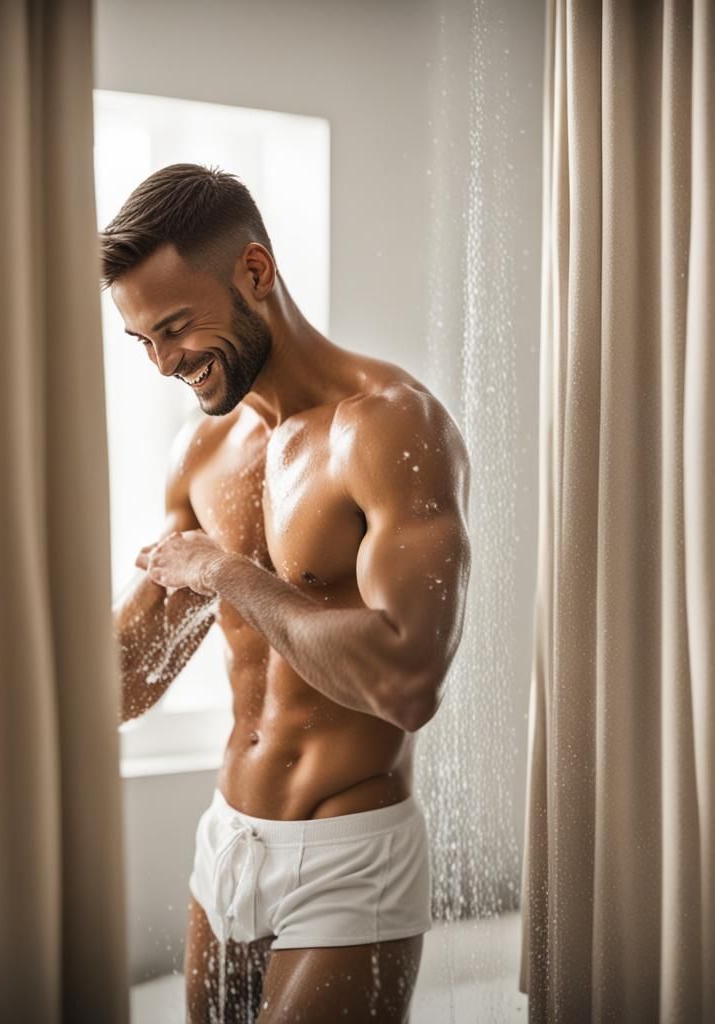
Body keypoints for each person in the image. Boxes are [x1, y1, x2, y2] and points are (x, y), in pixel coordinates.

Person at [102, 163, 471, 1023]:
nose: (163, 363)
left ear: (255, 274)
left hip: (349, 852)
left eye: (175, 327)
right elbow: (130, 679)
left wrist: (228, 574)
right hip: (226, 840)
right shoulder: (199, 456)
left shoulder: (388, 426)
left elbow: (407, 684)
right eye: (141, 341)